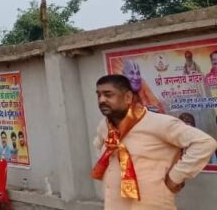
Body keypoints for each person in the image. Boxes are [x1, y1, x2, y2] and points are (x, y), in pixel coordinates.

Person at [92, 74, 216, 209]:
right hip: (114, 203)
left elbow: (205, 143)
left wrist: (175, 177)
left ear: (127, 97)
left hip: (151, 204)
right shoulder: (105, 126)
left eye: (108, 95)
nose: (101, 100)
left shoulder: (158, 123)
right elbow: (98, 145)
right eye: (98, 95)